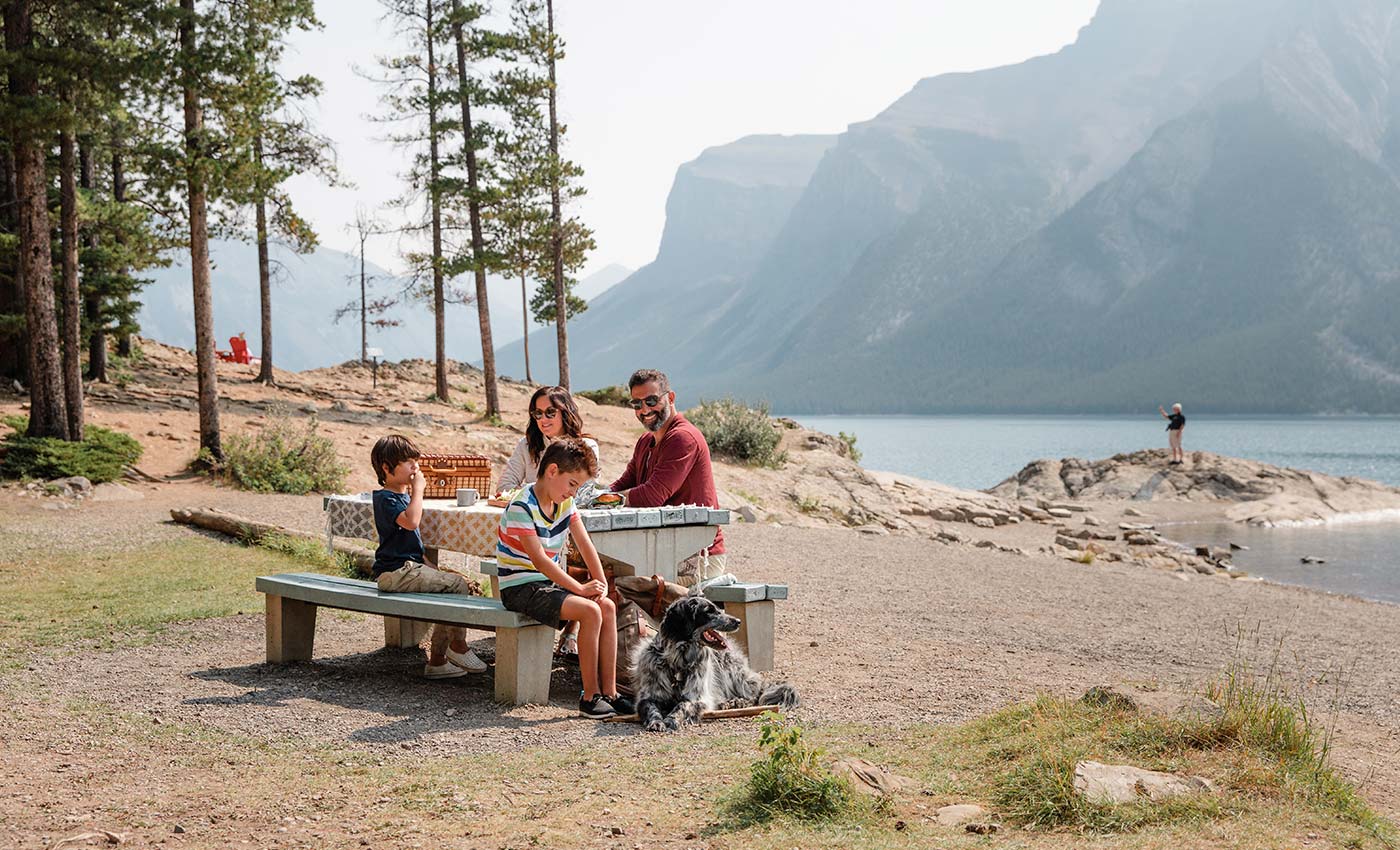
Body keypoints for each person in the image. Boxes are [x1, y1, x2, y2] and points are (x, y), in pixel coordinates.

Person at [496, 438, 635, 718]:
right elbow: (540, 561)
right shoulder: (522, 506)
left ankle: (610, 693)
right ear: (552, 471)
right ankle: (589, 696)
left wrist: (601, 583)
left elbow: (585, 545)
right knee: (589, 610)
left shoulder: (565, 505)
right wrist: (581, 590)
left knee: (606, 606)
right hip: (521, 587)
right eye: (572, 484)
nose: (573, 492)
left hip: (546, 586)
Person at [370, 434, 488, 678]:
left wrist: (430, 565)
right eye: (408, 462)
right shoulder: (386, 498)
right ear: (386, 467)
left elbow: (411, 545)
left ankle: (437, 662)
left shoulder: (403, 497)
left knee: (456, 581)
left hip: (407, 569)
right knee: (456, 586)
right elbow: (411, 523)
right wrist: (419, 490)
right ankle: (454, 648)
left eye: (416, 461)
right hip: (395, 573)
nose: (416, 467)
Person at [609, 368, 724, 585]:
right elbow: (625, 483)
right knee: (604, 576)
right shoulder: (645, 441)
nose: (645, 409)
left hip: (696, 555)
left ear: (670, 397)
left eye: (652, 401)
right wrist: (597, 495)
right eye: (637, 403)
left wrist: (606, 501)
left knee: (623, 585)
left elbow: (652, 496)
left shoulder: (682, 438)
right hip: (664, 548)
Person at [497, 386, 601, 495]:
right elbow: (504, 487)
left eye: (550, 412)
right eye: (538, 413)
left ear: (565, 413)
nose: (543, 419)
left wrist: (534, 491)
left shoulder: (586, 447)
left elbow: (586, 493)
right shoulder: (526, 445)